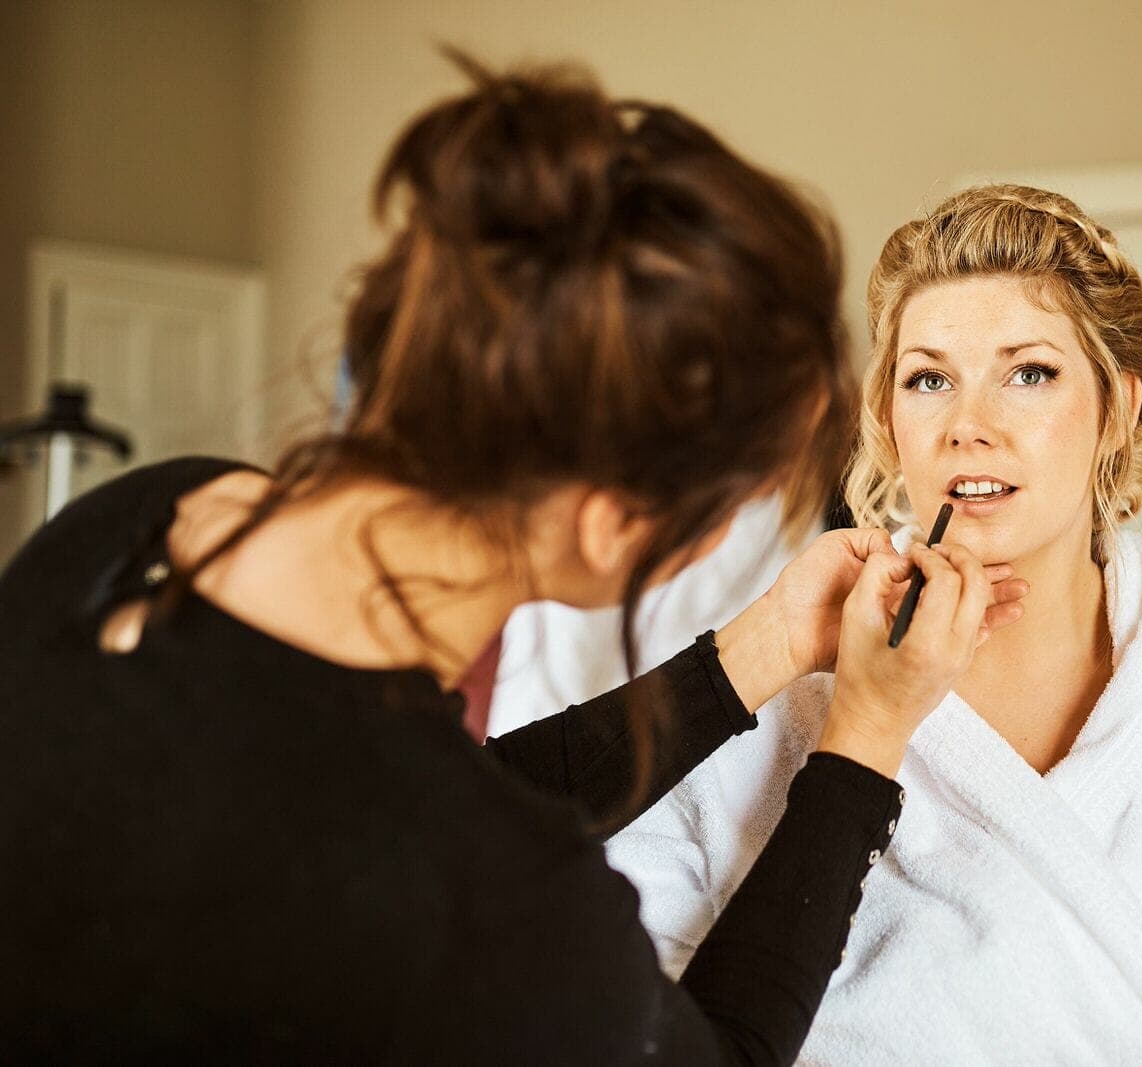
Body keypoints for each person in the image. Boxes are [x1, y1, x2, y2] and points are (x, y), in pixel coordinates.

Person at [0, 57, 1028, 1063]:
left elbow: (423, 788)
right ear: (609, 524)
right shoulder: (499, 917)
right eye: (738, 496)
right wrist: (864, 736)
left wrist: (761, 647)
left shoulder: (146, 517)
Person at [606, 184, 1142, 1064]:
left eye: (1029, 373)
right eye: (929, 378)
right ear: (887, 421)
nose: (967, 427)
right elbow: (625, 984)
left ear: (1118, 409)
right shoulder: (771, 696)